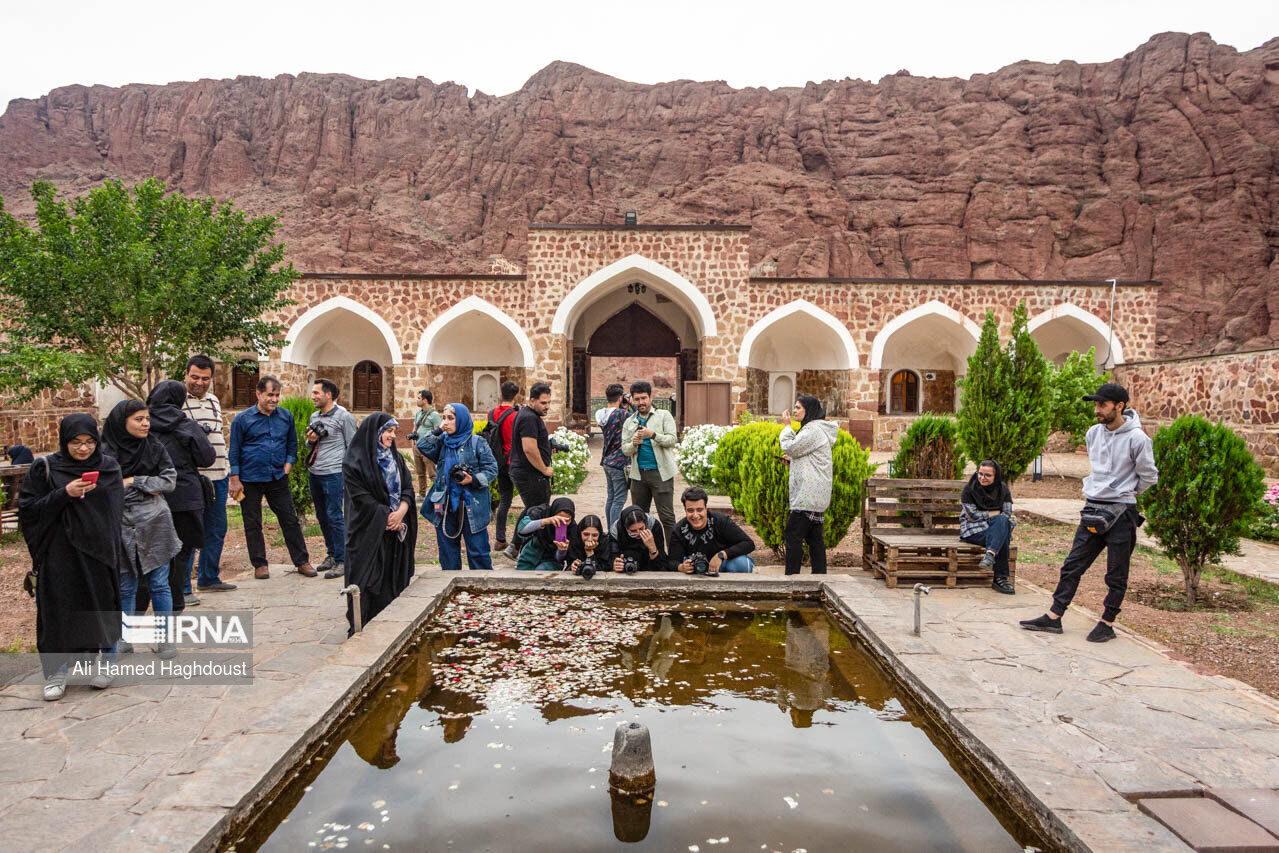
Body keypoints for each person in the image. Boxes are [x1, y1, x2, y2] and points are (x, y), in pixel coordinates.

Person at [1021, 383, 1158, 643]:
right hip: (1093, 507)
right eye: (1095, 404)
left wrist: (1126, 492)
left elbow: (1149, 476)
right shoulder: (1093, 433)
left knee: (1116, 572)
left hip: (1122, 513)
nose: (1097, 410)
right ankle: (1053, 617)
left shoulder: (1138, 439)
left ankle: (1107, 622)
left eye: (1102, 405)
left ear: (1119, 406)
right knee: (1072, 565)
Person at [18, 415, 123, 700]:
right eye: (76, 443)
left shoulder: (108, 467)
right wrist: (64, 493)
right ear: (64, 441)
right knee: (58, 613)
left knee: (103, 607)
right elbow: (28, 510)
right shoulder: (46, 468)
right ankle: (57, 673)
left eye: (89, 442)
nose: (83, 449)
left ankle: (107, 665)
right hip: (59, 554)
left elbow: (114, 512)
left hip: (99, 553)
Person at [102, 400, 179, 659]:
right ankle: (125, 639)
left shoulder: (154, 446)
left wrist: (135, 480)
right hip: (120, 523)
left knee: (159, 584)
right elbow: (105, 485)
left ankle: (165, 639)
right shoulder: (105, 452)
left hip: (154, 521)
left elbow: (169, 481)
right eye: (138, 419)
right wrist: (141, 486)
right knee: (126, 586)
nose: (146, 423)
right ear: (122, 422)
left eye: (147, 418)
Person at [228, 376, 314, 579]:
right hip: (250, 478)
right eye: (270, 395)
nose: (274, 399)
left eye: (277, 395)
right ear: (258, 394)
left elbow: (292, 443)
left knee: (289, 519)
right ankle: (259, 564)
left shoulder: (285, 416)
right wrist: (235, 478)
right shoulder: (243, 419)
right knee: (253, 522)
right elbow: (234, 450)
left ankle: (302, 561)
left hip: (277, 476)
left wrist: (288, 464)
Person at [342, 413, 416, 635]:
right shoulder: (355, 462)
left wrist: (401, 512)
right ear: (374, 432)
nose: (392, 436)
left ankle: (388, 626)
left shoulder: (395, 458)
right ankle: (361, 626)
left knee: (389, 579)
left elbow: (408, 489)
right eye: (388, 431)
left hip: (394, 531)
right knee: (365, 580)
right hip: (367, 531)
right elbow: (360, 497)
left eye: (394, 431)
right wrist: (386, 515)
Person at [144, 380, 216, 612]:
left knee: (150, 553)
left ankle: (144, 604)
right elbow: (207, 457)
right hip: (185, 496)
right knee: (182, 552)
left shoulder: (141, 425)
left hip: (151, 496)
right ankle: (176, 601)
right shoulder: (186, 425)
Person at [417, 402, 499, 571]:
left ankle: (481, 590)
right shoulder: (442, 443)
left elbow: (492, 469)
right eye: (444, 418)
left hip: (472, 505)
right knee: (448, 553)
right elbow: (422, 445)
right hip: (445, 505)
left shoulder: (477, 442)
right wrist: (439, 430)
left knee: (478, 553)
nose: (446, 422)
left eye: (451, 418)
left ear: (461, 420)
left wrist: (473, 480)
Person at [180, 354, 236, 594]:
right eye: (195, 377)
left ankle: (209, 578)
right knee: (190, 532)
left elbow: (220, 437)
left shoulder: (213, 400)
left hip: (219, 477)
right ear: (186, 375)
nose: (199, 382)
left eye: (205, 378)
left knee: (217, 528)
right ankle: (183, 588)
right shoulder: (177, 402)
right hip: (195, 479)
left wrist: (229, 472)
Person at [779, 395, 837, 575]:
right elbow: (806, 457)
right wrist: (792, 462)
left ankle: (792, 579)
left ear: (808, 410)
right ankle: (820, 579)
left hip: (808, 496)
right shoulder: (816, 429)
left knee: (793, 536)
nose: (794, 411)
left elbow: (790, 447)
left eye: (798, 407)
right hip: (815, 495)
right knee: (814, 540)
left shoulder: (813, 430)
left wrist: (787, 426)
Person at [307, 379, 359, 579]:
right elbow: (309, 444)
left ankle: (342, 560)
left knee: (335, 515)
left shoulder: (343, 416)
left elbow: (352, 446)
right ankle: (331, 554)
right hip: (316, 472)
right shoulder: (314, 416)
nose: (313, 397)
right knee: (322, 515)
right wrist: (310, 440)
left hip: (335, 474)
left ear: (328, 395)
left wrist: (349, 473)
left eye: (316, 393)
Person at [621, 381, 678, 542]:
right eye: (637, 399)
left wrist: (653, 435)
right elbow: (624, 449)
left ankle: (672, 554)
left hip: (661, 474)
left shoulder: (663, 416)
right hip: (638, 476)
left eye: (644, 398)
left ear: (650, 397)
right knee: (638, 518)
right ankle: (642, 553)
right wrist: (633, 444)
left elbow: (672, 440)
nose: (641, 402)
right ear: (632, 399)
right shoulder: (629, 421)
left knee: (667, 517)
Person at [960, 460, 1017, 594]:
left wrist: (993, 516)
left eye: (987, 475)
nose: (982, 478)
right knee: (1002, 531)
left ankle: (990, 555)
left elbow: (1007, 512)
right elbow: (972, 516)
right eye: (980, 474)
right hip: (973, 530)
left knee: (1002, 522)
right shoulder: (970, 489)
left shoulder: (1003, 490)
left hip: (995, 527)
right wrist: (994, 513)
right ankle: (1000, 579)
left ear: (996, 476)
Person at [669, 486, 755, 575]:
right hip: (694, 568)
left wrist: (721, 555)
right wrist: (682, 567)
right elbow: (672, 561)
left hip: (722, 565)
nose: (695, 515)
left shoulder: (721, 521)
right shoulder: (678, 529)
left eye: (699, 510)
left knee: (742, 564)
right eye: (690, 510)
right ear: (685, 510)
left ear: (706, 508)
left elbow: (748, 543)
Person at [508, 382, 554, 516]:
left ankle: (520, 537)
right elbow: (529, 448)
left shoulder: (529, 415)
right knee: (537, 513)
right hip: (529, 474)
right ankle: (524, 537)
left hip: (528, 472)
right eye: (543, 403)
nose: (547, 407)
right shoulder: (529, 417)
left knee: (532, 511)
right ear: (532, 401)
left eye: (549, 403)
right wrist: (544, 469)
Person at [487, 381, 520, 553]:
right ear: (516, 396)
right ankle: (519, 541)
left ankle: (500, 539)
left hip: (497, 460)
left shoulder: (491, 413)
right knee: (527, 501)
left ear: (501, 393)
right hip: (513, 461)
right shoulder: (515, 416)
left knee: (504, 501)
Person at [594, 383, 630, 532]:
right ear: (621, 398)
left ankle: (610, 529)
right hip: (619, 461)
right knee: (619, 500)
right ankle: (614, 532)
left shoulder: (600, 414)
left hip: (607, 459)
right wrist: (629, 405)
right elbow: (637, 419)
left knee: (611, 497)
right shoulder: (622, 414)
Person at [514, 497, 577, 571]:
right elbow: (521, 529)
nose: (562, 523)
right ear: (553, 513)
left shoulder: (572, 530)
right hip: (529, 556)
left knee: (540, 572)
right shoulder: (543, 512)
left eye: (567, 520)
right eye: (558, 518)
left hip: (551, 562)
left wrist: (561, 551)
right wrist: (545, 521)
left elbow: (559, 559)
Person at [611, 505, 669, 572]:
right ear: (625, 528)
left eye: (641, 528)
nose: (638, 533)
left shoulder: (654, 526)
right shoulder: (616, 531)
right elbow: (613, 556)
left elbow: (662, 563)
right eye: (633, 531)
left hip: (650, 566)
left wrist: (652, 548)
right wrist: (616, 564)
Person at [410, 390, 441, 494]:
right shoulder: (418, 413)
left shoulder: (434, 415)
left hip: (428, 448)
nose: (417, 400)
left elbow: (438, 433)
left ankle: (437, 494)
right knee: (420, 473)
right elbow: (415, 427)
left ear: (425, 400)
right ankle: (422, 493)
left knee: (432, 474)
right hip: (417, 446)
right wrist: (413, 443)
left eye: (419, 398)